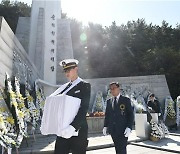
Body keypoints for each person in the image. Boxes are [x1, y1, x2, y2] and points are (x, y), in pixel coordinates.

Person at [52, 59, 91, 154]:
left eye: (69, 70)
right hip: (63, 130)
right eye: (65, 71)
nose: (67, 73)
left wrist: (73, 127)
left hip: (78, 130)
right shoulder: (64, 88)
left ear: (76, 69)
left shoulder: (84, 85)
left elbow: (83, 108)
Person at [103, 82, 134, 154]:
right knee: (117, 148)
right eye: (110, 89)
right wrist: (105, 126)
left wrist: (129, 127)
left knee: (122, 148)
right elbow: (107, 115)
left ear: (118, 89)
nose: (112, 90)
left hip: (123, 130)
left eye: (114, 88)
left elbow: (130, 114)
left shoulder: (125, 100)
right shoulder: (109, 101)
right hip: (113, 130)